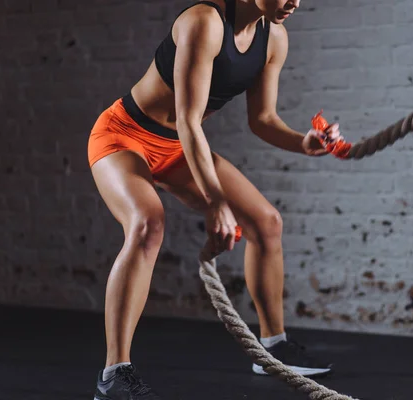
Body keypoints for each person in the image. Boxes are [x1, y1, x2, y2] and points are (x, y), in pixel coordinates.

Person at [88, 0, 342, 398]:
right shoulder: (204, 21)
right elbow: (188, 118)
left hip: (177, 147)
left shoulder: (273, 38)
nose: (294, 1)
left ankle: (272, 347)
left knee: (266, 222)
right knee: (146, 224)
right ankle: (114, 372)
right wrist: (214, 201)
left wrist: (302, 142)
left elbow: (263, 120)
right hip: (124, 136)